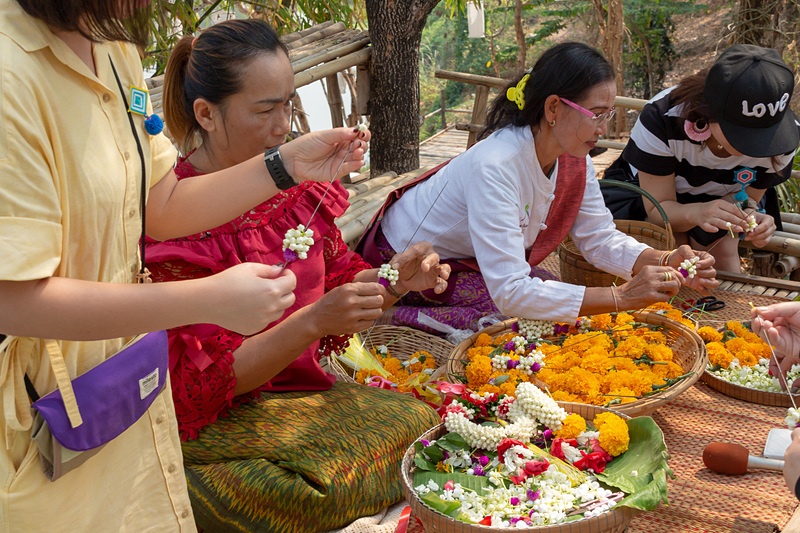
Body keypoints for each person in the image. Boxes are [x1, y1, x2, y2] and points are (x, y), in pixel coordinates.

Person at [0, 1, 370, 531]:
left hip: (124, 378)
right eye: (266, 110)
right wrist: (208, 299)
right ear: (206, 114)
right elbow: (12, 299)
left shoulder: (113, 49)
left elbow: (161, 203)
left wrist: (287, 164)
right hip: (50, 397)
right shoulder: (11, 72)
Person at [148, 19, 449, 533]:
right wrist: (311, 323)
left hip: (302, 398)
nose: (284, 125)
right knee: (307, 492)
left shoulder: (291, 191)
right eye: (266, 109)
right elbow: (196, 385)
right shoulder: (170, 219)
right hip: (216, 420)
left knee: (426, 430)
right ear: (206, 114)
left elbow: (342, 280)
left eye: (288, 103)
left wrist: (395, 280)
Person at [357, 42, 718, 334]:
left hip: (471, 263)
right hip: (409, 264)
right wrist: (620, 296)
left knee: (560, 310)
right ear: (553, 108)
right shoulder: (497, 165)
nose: (603, 128)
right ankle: (393, 315)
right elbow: (512, 291)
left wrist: (665, 259)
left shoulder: (573, 157)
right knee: (511, 325)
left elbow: (598, 238)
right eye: (597, 114)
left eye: (609, 115)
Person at [603, 44, 800, 272]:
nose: (753, 148)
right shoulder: (663, 117)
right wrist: (697, 213)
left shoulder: (785, 139)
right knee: (672, 255)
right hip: (654, 198)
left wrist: (751, 216)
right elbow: (658, 210)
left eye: (764, 136)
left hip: (724, 196)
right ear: (707, 113)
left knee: (721, 259)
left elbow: (747, 200)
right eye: (741, 134)